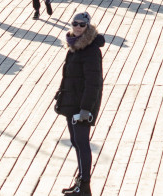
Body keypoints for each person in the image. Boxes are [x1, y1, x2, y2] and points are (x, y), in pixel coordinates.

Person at [56, 12, 104, 196]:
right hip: (71, 101)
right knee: (76, 141)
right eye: (75, 23)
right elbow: (68, 76)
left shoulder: (91, 50)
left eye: (82, 25)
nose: (77, 27)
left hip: (82, 106)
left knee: (82, 142)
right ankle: (80, 181)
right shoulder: (73, 46)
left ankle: (84, 185)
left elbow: (94, 83)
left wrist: (86, 109)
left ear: (88, 26)